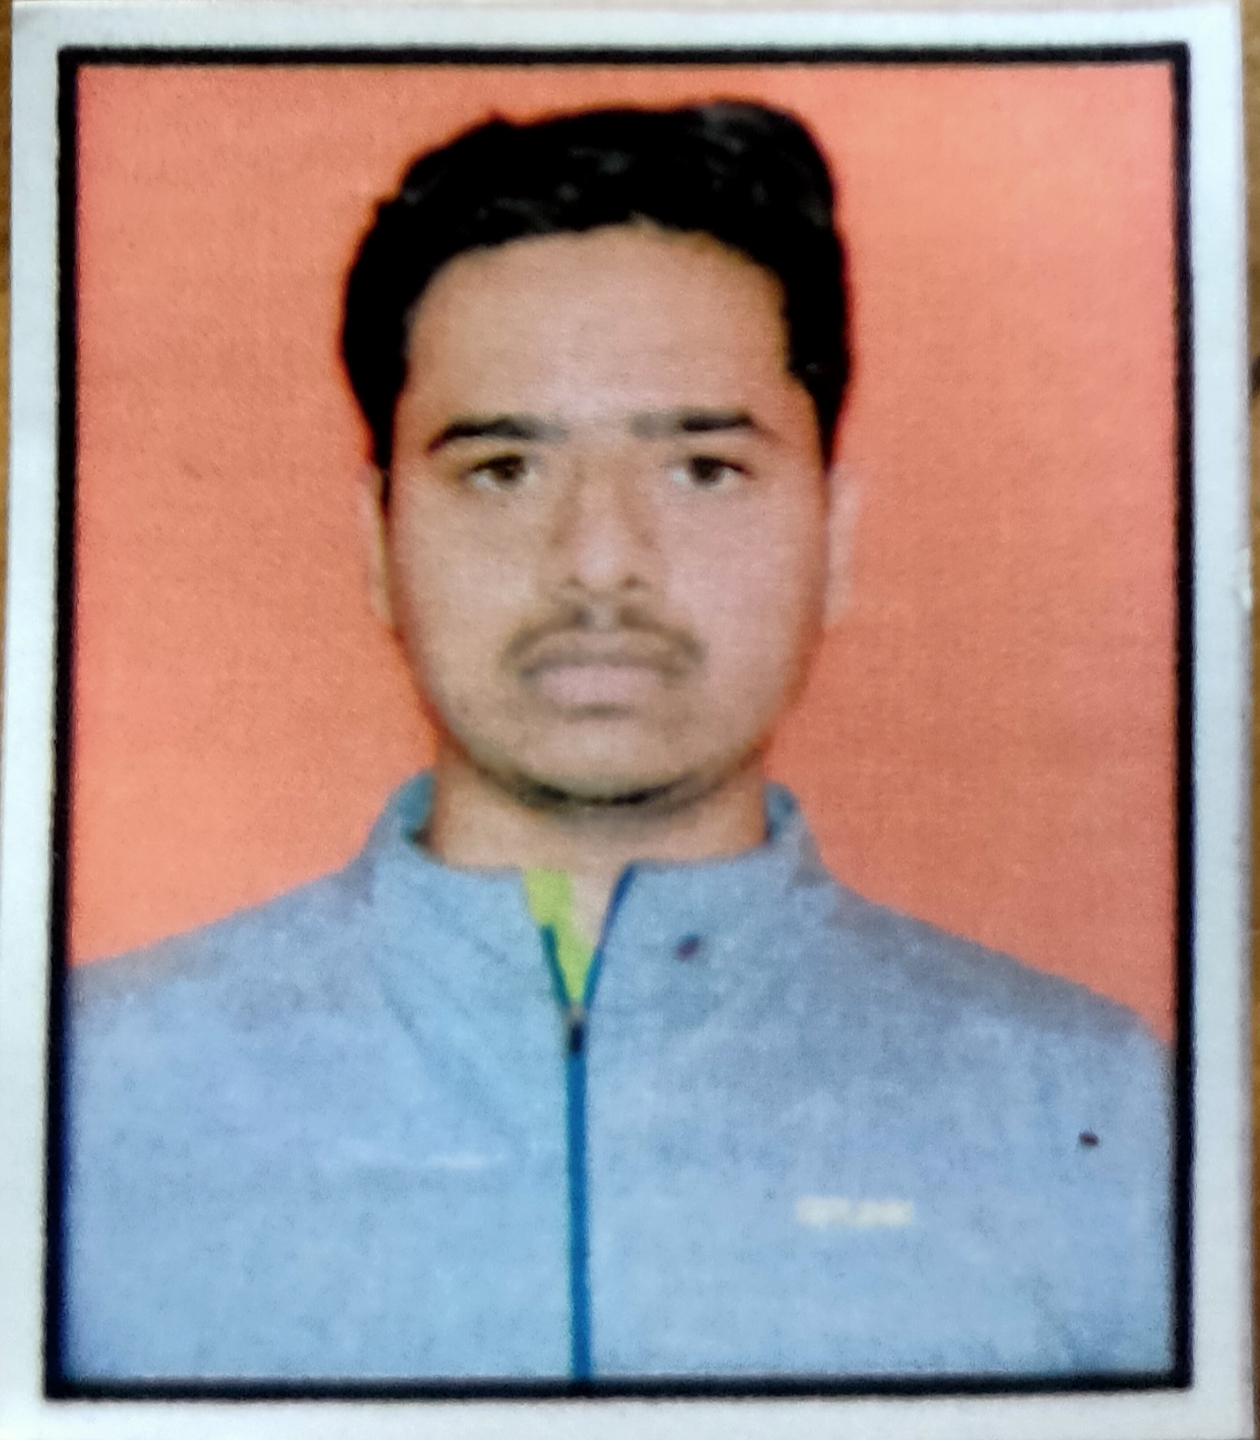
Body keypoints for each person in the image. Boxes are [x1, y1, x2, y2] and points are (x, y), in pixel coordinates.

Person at [61, 102, 1172, 1386]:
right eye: (502, 470)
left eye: (701, 469)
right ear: (377, 541)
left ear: (835, 537)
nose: (598, 563)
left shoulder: (1090, 1113)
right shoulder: (82, 1092)